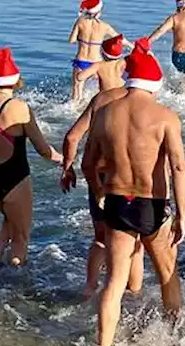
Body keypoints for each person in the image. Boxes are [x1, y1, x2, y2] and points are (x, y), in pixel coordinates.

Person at [88, 41, 185, 346]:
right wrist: (182, 214)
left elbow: (87, 164)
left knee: (115, 283)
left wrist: (100, 192)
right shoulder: (165, 116)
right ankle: (173, 341)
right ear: (154, 84)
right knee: (167, 276)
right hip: (152, 205)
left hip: (118, 202)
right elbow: (179, 168)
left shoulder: (105, 113)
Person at [0, 48, 62, 267]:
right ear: (14, 80)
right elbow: (43, 150)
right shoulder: (20, 108)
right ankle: (15, 285)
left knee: (10, 217)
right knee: (22, 237)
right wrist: (62, 159)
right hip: (14, 179)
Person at [60, 52, 145, 300]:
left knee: (100, 237)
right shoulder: (148, 103)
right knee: (135, 241)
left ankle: (90, 286)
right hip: (129, 178)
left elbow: (72, 137)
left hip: (99, 176)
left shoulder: (101, 99)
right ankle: (134, 292)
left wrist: (67, 167)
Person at [68, 0, 119, 102]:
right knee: (97, 91)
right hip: (96, 63)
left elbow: (71, 40)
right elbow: (120, 39)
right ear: (98, 12)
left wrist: (82, 38)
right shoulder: (104, 26)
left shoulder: (80, 22)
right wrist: (133, 47)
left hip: (81, 61)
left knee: (77, 93)